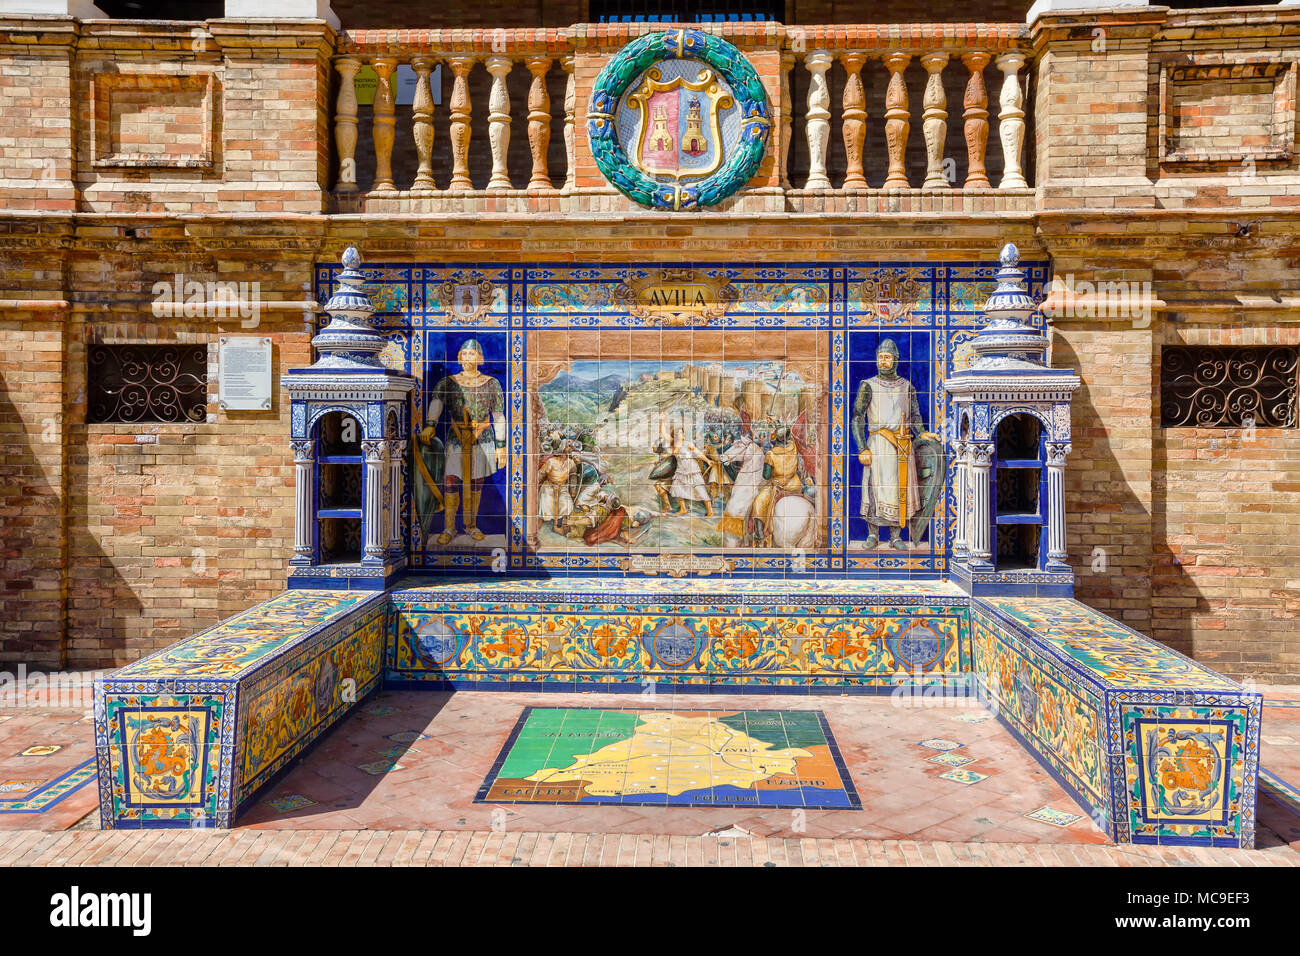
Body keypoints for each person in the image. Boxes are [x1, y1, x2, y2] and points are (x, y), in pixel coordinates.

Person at [851, 338, 940, 549]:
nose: (883, 362)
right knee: (875, 489)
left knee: (900, 489)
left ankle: (895, 536)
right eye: (880, 357)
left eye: (887, 357)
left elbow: (915, 415)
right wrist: (862, 447)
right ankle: (872, 535)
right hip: (879, 444)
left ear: (895, 360)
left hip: (902, 445)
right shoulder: (868, 385)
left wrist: (923, 433)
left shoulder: (907, 386)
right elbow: (857, 417)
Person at [417, 339, 505, 545]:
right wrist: (430, 425)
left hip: (483, 439)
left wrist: (501, 446)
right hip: (457, 439)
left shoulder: (492, 383)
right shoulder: (448, 383)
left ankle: (471, 526)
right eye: (464, 354)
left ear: (480, 358)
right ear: (459, 358)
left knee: (476, 482)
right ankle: (449, 527)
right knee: (450, 480)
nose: (467, 358)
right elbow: (436, 403)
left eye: (472, 353)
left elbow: (499, 415)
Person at [751, 425, 809, 545]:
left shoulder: (771, 454)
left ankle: (759, 533)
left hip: (778, 485)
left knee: (758, 502)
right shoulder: (793, 448)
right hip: (794, 484)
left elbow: (766, 476)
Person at [538, 440, 579, 533]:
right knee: (547, 504)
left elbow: (573, 477)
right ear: (562, 448)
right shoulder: (551, 461)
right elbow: (541, 474)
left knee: (566, 504)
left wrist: (573, 490)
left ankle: (563, 525)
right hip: (549, 487)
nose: (571, 448)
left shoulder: (571, 463)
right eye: (568, 446)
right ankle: (547, 526)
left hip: (562, 487)